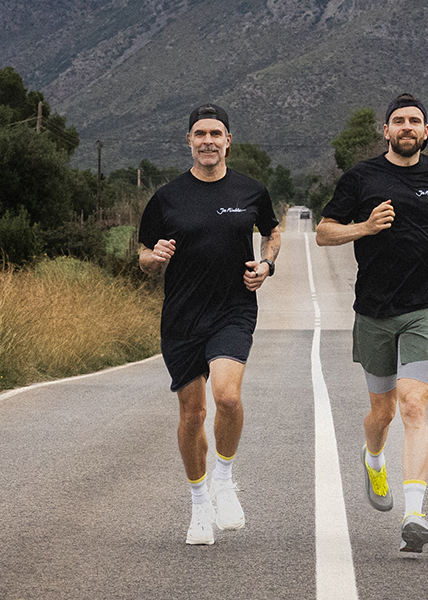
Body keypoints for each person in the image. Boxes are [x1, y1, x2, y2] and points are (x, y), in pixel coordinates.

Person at [316, 93, 428, 553]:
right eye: (398, 120)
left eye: (414, 121)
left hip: (425, 307)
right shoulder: (361, 178)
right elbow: (324, 232)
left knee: (413, 405)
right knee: (382, 413)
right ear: (386, 131)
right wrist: (363, 227)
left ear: (426, 131)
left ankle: (414, 513)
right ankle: (373, 457)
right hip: (375, 311)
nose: (406, 127)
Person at [138, 103, 281, 545]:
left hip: (233, 310)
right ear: (189, 141)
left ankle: (223, 478)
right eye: (200, 134)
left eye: (215, 133)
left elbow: (273, 232)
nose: (208, 141)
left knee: (228, 397)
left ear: (228, 141)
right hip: (182, 316)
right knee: (193, 414)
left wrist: (266, 265)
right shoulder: (167, 198)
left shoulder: (251, 191)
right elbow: (143, 255)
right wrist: (154, 257)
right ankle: (199, 505)